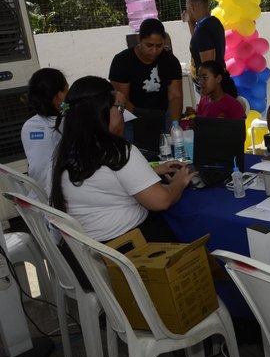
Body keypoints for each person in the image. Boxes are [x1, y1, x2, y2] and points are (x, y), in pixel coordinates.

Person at [50, 76, 196, 243]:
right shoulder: (117, 151)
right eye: (119, 108)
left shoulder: (68, 150)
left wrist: (152, 171)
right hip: (127, 246)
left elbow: (102, 181)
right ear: (102, 112)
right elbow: (161, 201)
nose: (123, 116)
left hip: (88, 248)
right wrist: (179, 182)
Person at [109, 18, 183, 124]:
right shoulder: (122, 61)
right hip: (131, 118)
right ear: (139, 39)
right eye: (149, 45)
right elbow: (122, 99)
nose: (154, 50)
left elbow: (175, 96)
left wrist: (175, 124)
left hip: (163, 115)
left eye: (159, 46)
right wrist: (145, 121)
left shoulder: (170, 61)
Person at [21, 68, 68, 198]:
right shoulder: (65, 124)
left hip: (36, 195)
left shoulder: (28, 125)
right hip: (57, 196)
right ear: (59, 95)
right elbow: (66, 107)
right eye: (66, 89)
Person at [185, 0, 226, 92]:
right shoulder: (213, 22)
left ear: (192, 7)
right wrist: (190, 22)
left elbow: (208, 67)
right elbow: (198, 42)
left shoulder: (203, 30)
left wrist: (205, 95)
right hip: (217, 83)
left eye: (187, 8)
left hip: (209, 88)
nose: (186, 11)